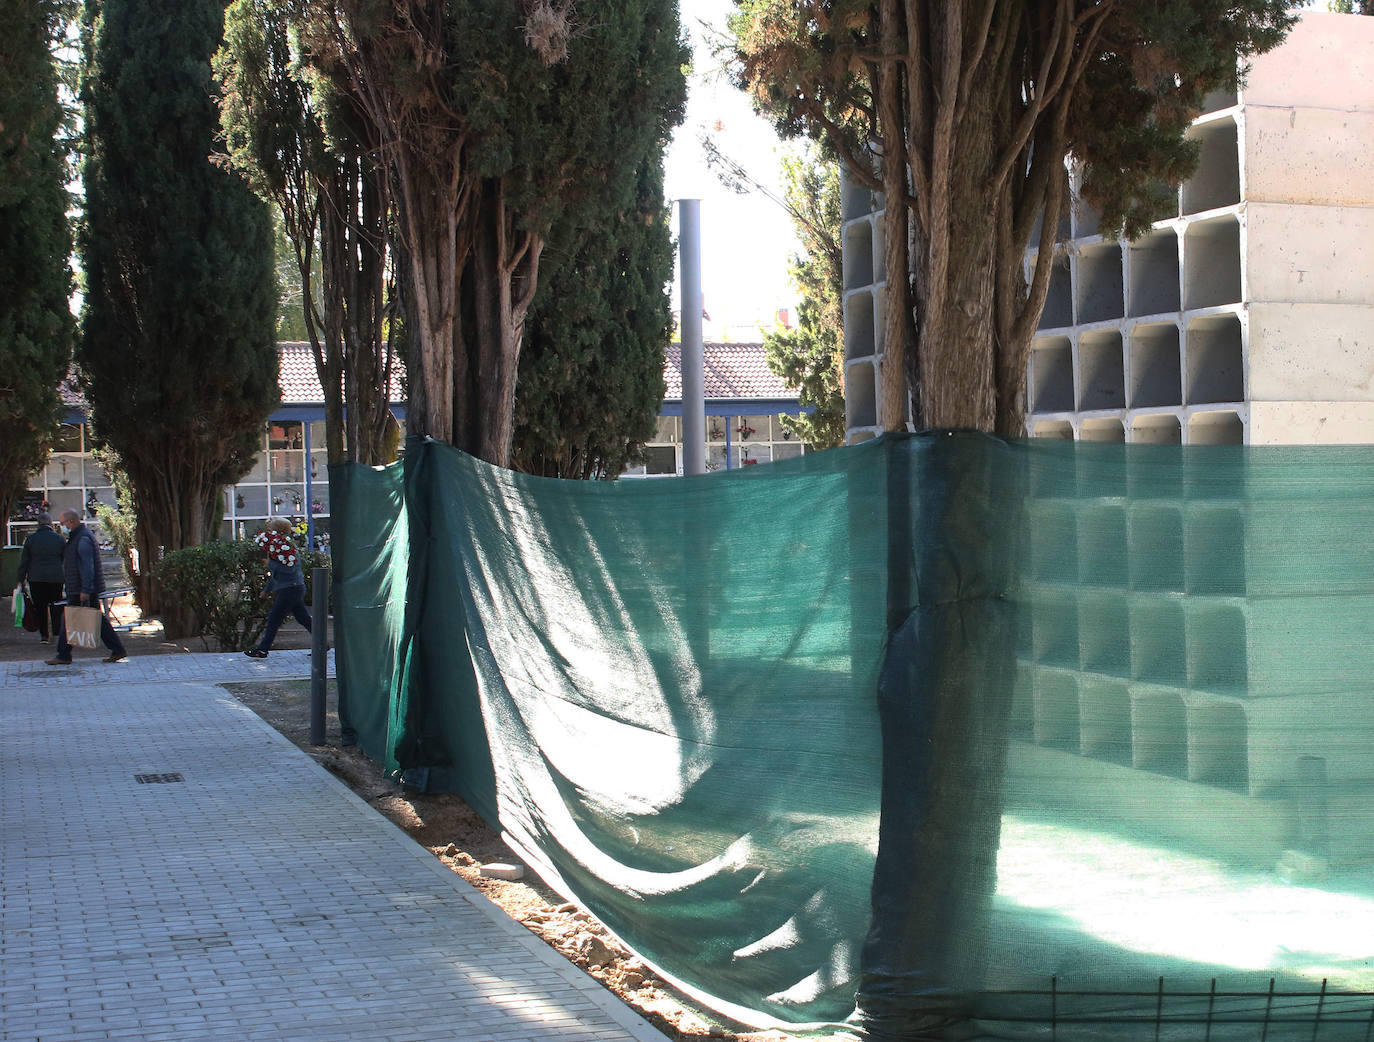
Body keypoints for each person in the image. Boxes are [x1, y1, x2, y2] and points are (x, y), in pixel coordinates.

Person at [45, 509, 128, 665]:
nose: (61, 526)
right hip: (81, 587)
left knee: (69, 620)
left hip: (81, 588)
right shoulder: (80, 537)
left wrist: (85, 589)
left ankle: (63, 655)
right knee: (97, 619)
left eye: (62, 523)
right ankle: (117, 649)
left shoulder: (82, 539)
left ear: (71, 522)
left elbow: (87, 566)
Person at [245, 517, 311, 658]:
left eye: (270, 529)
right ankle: (322, 644)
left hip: (290, 588)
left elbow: (289, 570)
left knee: (274, 618)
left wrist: (270, 563)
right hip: (291, 587)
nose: (268, 532)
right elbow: (277, 574)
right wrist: (266, 590)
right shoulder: (278, 547)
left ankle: (262, 650)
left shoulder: (287, 547)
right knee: (303, 618)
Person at [16, 513, 65, 644]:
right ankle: (56, 633)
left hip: (36, 577)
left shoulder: (31, 539)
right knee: (56, 605)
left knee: (40, 607)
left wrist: (21, 579)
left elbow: (24, 561)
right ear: (50, 523)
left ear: (38, 524)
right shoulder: (59, 539)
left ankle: (44, 635)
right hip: (56, 577)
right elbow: (64, 559)